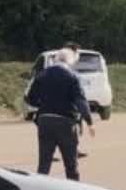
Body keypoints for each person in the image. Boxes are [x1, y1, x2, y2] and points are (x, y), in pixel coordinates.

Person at [25, 47, 96, 180]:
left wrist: (45, 104)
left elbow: (30, 98)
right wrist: (89, 122)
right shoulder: (73, 76)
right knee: (71, 164)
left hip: (45, 121)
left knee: (44, 164)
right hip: (66, 122)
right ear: (70, 61)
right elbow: (80, 101)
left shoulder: (42, 74)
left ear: (56, 59)